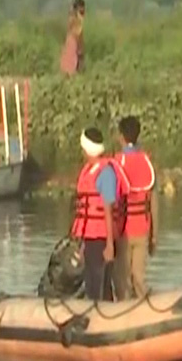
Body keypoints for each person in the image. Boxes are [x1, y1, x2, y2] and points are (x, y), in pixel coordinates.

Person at [69, 126, 126, 302]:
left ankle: (107, 318)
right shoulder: (89, 170)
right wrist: (83, 244)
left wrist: (110, 244)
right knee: (91, 283)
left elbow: (108, 208)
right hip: (90, 237)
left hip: (102, 238)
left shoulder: (106, 172)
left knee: (102, 284)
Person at [113, 115, 157, 300]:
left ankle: (124, 315)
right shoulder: (147, 162)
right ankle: (145, 309)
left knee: (122, 280)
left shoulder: (117, 162)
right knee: (139, 278)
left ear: (121, 137)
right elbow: (153, 203)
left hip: (123, 231)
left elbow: (112, 200)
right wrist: (155, 235)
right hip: (143, 229)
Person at [59, 0, 86, 77]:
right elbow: (78, 35)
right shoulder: (76, 20)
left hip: (70, 47)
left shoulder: (71, 19)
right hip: (73, 48)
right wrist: (80, 51)